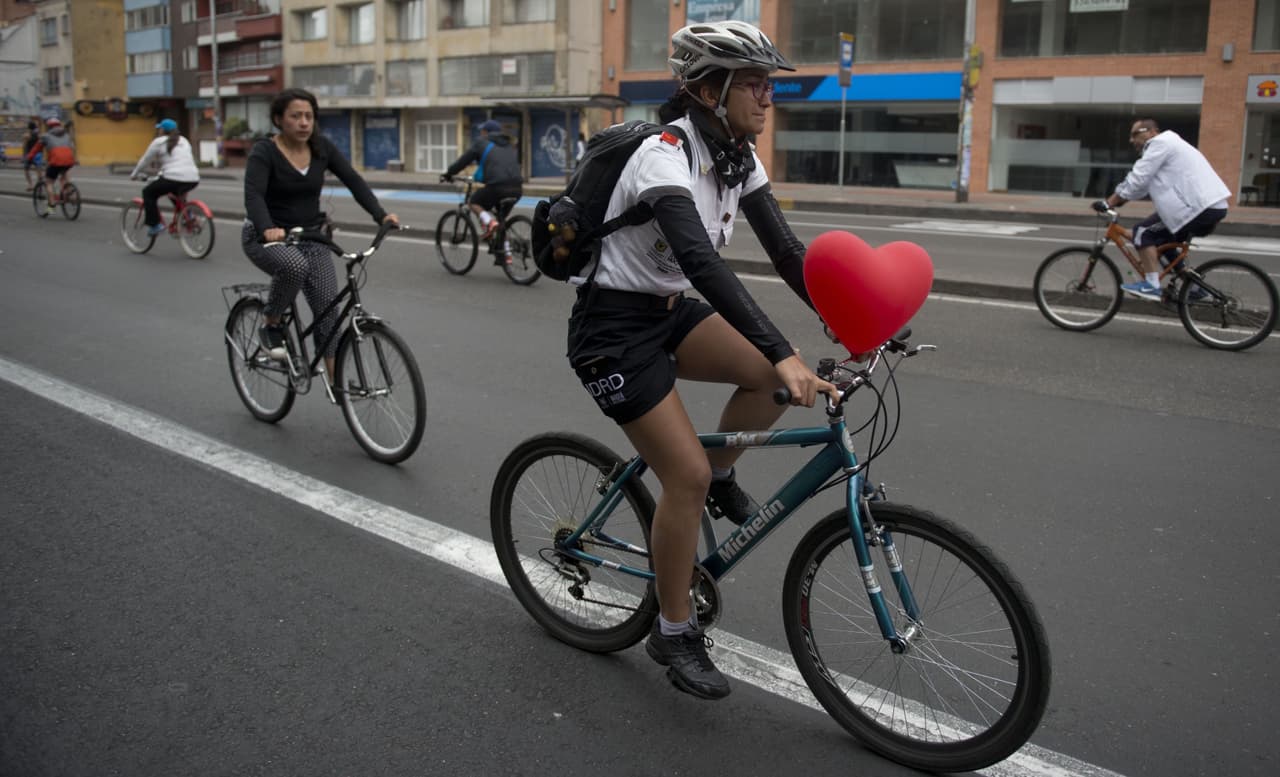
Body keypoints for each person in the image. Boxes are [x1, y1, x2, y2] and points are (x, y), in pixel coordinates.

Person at [565, 20, 835, 700]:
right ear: (708, 89)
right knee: (680, 474)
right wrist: (784, 349)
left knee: (765, 382)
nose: (767, 97)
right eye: (753, 83)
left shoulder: (739, 155)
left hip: (667, 312)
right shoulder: (664, 155)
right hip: (612, 329)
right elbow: (700, 262)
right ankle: (674, 630)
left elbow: (788, 254)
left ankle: (720, 477)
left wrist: (855, 322)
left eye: (770, 85)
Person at [242, 88, 399, 385]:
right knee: (293, 267)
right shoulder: (265, 152)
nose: (303, 122)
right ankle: (271, 322)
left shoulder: (321, 148)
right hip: (266, 237)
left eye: (309, 116)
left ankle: (336, 381)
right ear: (279, 119)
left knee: (328, 311)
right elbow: (254, 196)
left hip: (311, 236)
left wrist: (381, 215)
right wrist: (266, 227)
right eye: (295, 116)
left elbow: (353, 180)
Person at [1097, 118, 1230, 300]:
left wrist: (1109, 202)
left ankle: (1151, 285)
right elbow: (1141, 187)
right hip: (1208, 206)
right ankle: (1193, 287)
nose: (1131, 140)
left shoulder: (1160, 143)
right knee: (1161, 241)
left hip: (1197, 207)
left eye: (1135, 134)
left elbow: (1138, 178)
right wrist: (1119, 200)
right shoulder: (1170, 145)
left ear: (1152, 132)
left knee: (1143, 233)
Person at [441, 119, 522, 262]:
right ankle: (505, 253)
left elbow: (463, 161)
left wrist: (448, 174)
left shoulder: (481, 142)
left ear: (486, 132)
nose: (480, 132)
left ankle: (489, 223)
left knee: (474, 202)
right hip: (517, 188)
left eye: (482, 130)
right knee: (501, 222)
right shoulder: (508, 144)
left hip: (498, 187)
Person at [129, 118, 201, 236]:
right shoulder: (184, 140)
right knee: (174, 193)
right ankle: (188, 216)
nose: (158, 131)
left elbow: (145, 160)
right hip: (193, 178)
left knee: (148, 192)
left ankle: (155, 224)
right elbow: (181, 161)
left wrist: (134, 174)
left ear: (162, 130)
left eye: (159, 129)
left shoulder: (159, 142)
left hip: (173, 177)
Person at [26, 117, 75, 213]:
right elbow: (72, 147)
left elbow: (36, 148)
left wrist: (29, 158)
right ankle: (68, 192)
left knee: (49, 182)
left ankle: (52, 205)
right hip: (69, 160)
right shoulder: (66, 135)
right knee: (63, 177)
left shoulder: (45, 136)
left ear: (49, 126)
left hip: (55, 161)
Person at [22, 120, 40, 191]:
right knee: (38, 169)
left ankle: (30, 185)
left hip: (29, 154)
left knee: (26, 170)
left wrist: (23, 155)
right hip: (37, 153)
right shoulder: (38, 134)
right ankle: (40, 186)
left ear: (29, 128)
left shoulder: (27, 135)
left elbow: (24, 146)